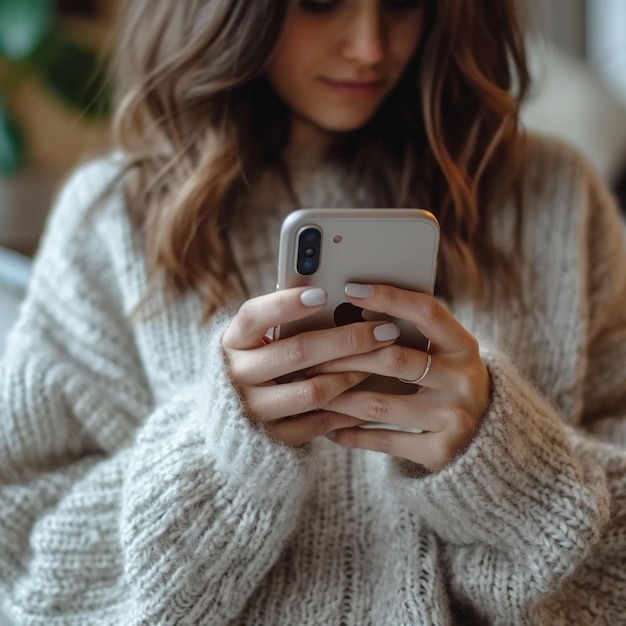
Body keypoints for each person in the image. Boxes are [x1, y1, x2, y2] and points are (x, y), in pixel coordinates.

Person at [1, 0, 625, 624]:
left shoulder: (555, 200)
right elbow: (21, 566)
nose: (370, 46)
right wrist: (220, 460)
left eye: (403, 3)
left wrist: (506, 464)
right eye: (321, 3)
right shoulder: (112, 221)